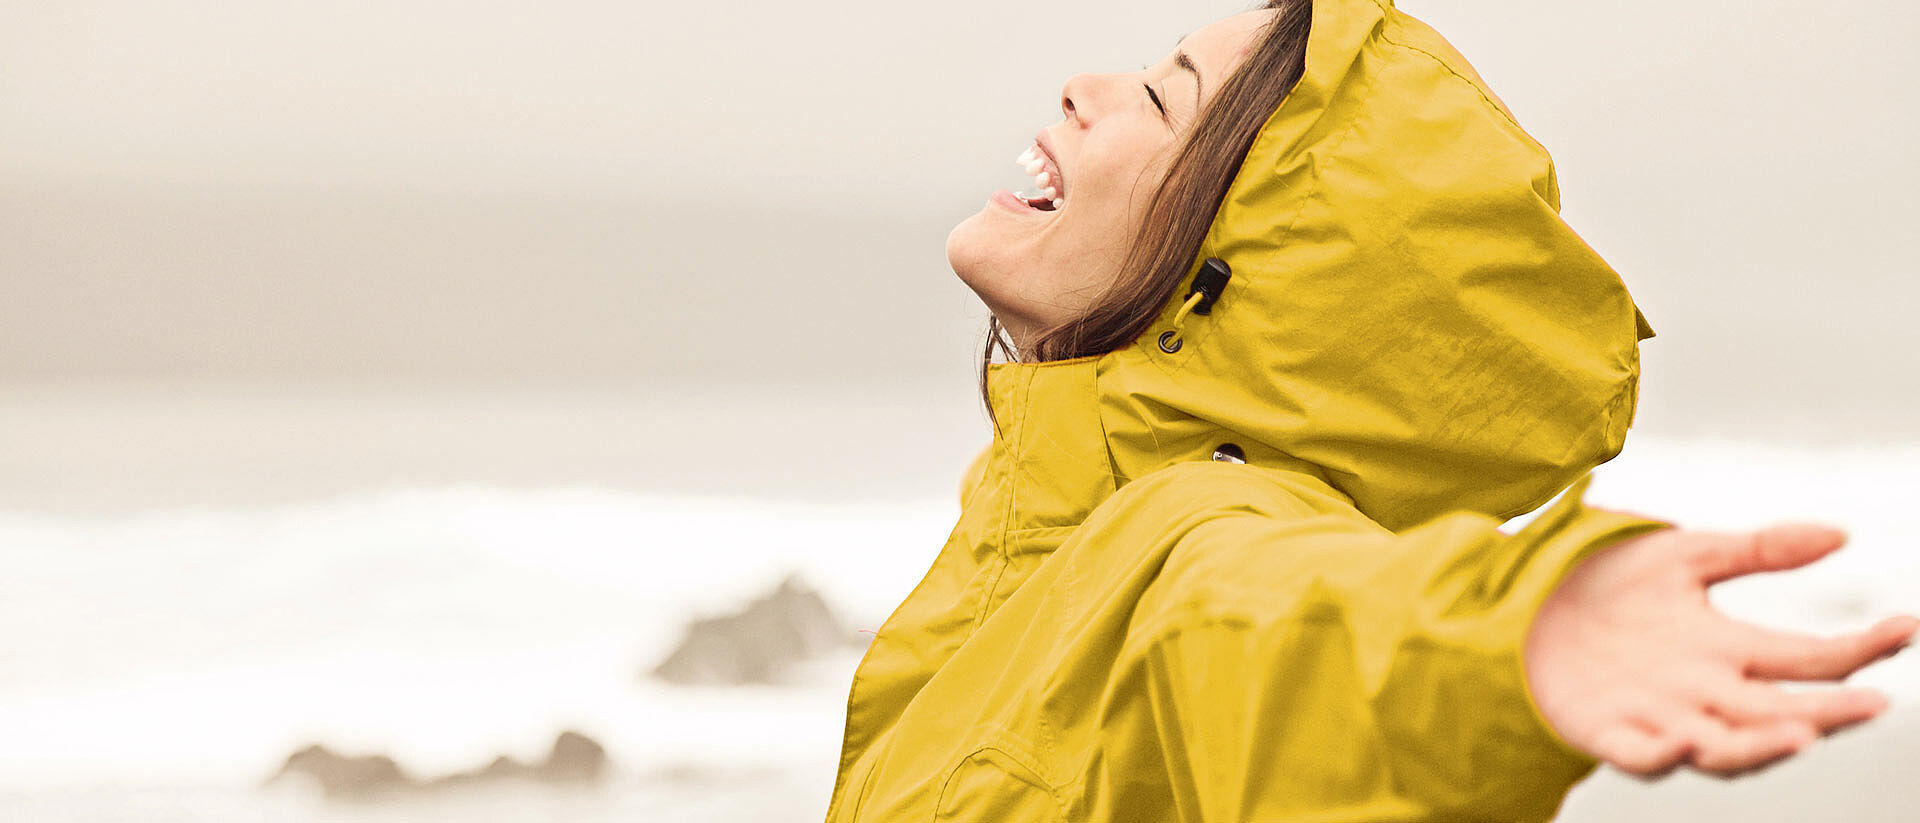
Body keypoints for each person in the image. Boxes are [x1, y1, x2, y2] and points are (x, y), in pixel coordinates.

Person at [826, 1, 1918, 820]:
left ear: (1232, 273)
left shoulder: (1191, 534)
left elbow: (1303, 626)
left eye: (1161, 99)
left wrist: (1508, 639)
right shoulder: (1033, 518)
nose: (1083, 85)